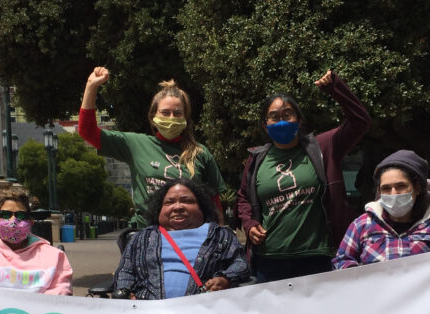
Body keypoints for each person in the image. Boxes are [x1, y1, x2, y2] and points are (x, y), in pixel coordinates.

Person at [237, 70, 371, 283]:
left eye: (288, 114)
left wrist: (336, 88)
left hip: (318, 258)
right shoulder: (256, 159)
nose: (281, 121)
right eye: (274, 117)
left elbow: (360, 121)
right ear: (265, 125)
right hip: (270, 261)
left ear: (299, 120)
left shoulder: (324, 147)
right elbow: (244, 198)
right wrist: (250, 224)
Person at [79, 67, 227, 227]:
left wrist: (219, 238)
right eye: (165, 113)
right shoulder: (135, 144)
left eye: (177, 113)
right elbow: (87, 131)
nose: (171, 118)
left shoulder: (200, 153)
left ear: (186, 118)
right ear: (153, 116)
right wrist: (91, 86)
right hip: (147, 237)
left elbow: (214, 204)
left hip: (190, 240)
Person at [332, 149, 430, 283]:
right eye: (386, 188)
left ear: (417, 187)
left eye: (401, 186)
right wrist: (355, 274)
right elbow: (341, 261)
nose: (393, 193)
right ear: (379, 191)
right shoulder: (361, 224)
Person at [113, 180, 248, 300]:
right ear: (159, 209)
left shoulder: (220, 235)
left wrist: (225, 279)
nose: (178, 207)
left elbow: (240, 263)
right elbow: (126, 271)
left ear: (201, 208)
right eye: (169, 202)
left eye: (187, 201)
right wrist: (125, 292)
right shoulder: (142, 238)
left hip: (203, 313)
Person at [0, 189, 73, 302]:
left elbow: (61, 291)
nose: (13, 221)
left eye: (21, 216)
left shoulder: (54, 256)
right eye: (6, 214)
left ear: (31, 222)